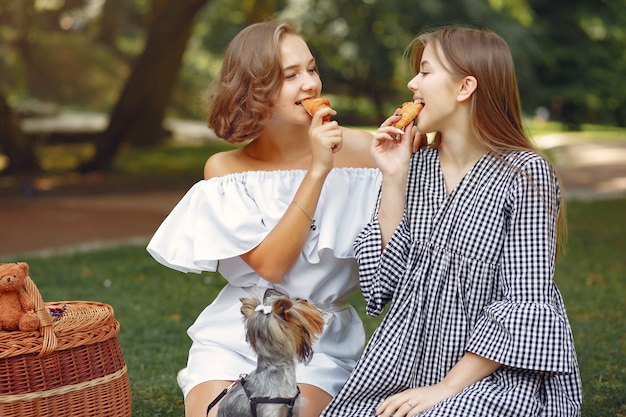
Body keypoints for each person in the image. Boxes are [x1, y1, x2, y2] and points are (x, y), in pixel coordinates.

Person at [321, 26, 582, 417]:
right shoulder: (416, 168)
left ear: (465, 88)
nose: (412, 83)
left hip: (498, 373)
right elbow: (380, 287)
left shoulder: (525, 174)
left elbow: (525, 303)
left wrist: (445, 389)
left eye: (425, 72)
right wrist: (393, 177)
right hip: (408, 366)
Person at [146, 20, 380, 417]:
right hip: (237, 333)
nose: (310, 84)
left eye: (311, 68)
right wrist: (318, 170)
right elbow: (272, 266)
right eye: (291, 75)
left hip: (316, 339)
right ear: (256, 90)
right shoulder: (225, 170)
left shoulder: (365, 153)